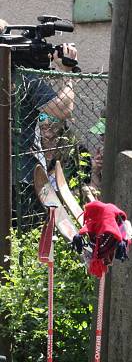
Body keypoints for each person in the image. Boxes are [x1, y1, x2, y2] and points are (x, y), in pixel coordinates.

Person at [4, 17, 78, 218]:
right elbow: (63, 109)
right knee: (27, 235)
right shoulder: (23, 79)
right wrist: (67, 72)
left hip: (16, 176)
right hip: (23, 178)